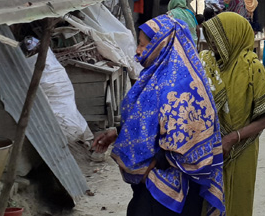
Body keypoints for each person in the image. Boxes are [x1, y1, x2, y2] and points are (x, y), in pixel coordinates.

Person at [92, 15, 225, 216]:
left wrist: (150, 166)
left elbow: (186, 143)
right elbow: (147, 121)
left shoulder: (184, 86)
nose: (138, 51)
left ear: (162, 46)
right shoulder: (155, 77)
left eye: (143, 45)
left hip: (174, 193)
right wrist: (118, 132)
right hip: (151, 186)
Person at [199, 12, 265, 216]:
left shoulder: (251, 66)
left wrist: (232, 138)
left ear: (233, 37)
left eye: (219, 38)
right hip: (207, 148)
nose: (213, 44)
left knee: (238, 200)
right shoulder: (205, 62)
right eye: (211, 38)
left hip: (241, 150)